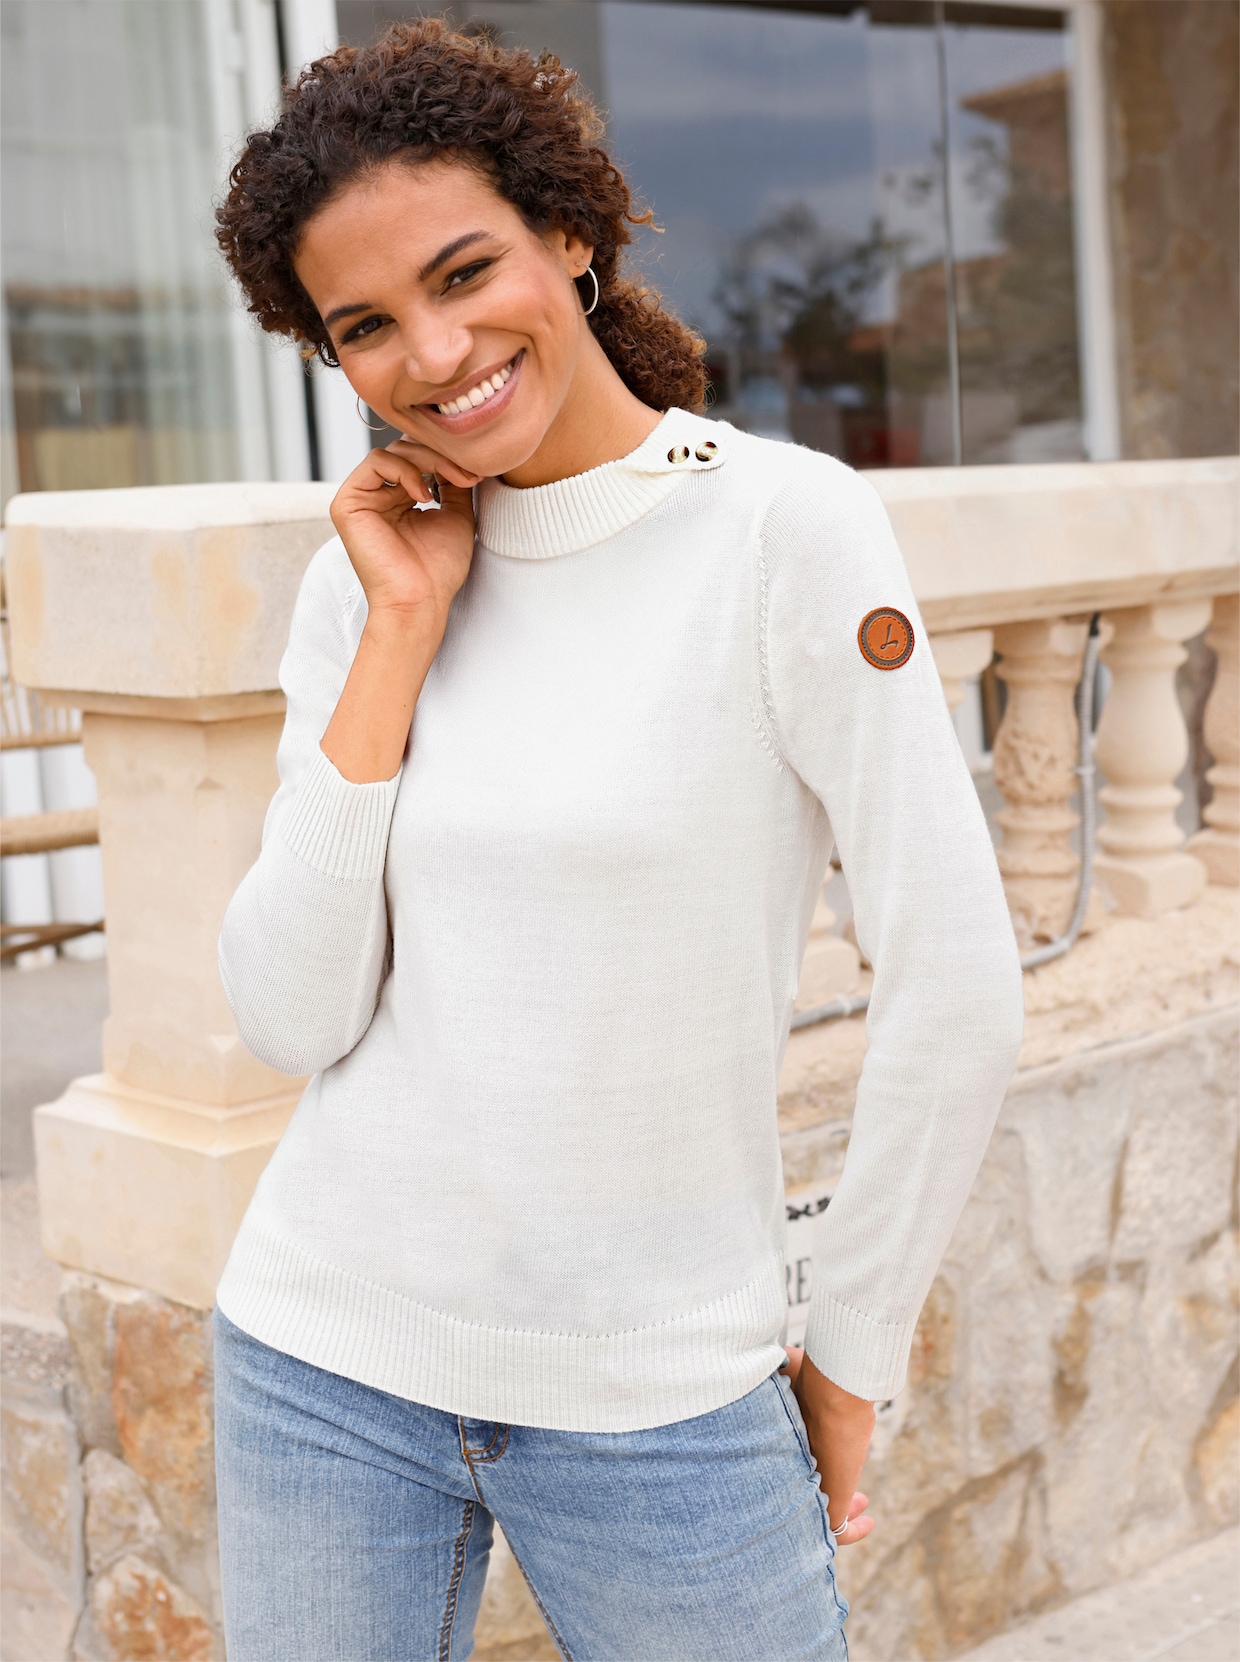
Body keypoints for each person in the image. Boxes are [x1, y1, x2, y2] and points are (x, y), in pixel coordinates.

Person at [211, 19, 1023, 1661]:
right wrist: (399, 635)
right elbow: (291, 1015)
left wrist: (852, 1349)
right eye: (366, 326)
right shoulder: (364, 585)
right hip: (320, 1357)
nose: (435, 353)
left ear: (571, 236)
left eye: (463, 273)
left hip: (664, 1405)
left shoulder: (782, 530)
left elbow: (956, 983)